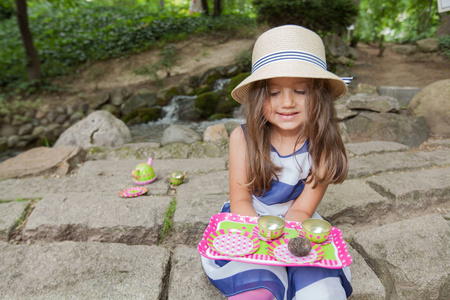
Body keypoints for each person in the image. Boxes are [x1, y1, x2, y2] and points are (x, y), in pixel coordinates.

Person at [200, 25, 353, 300]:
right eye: (274, 93)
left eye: (300, 91)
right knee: (259, 285)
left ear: (319, 95)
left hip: (298, 221)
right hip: (249, 219)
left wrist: (286, 247)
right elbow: (241, 201)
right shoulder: (242, 138)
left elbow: (302, 210)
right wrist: (262, 243)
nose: (287, 102)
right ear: (259, 96)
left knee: (319, 288)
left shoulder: (322, 147)